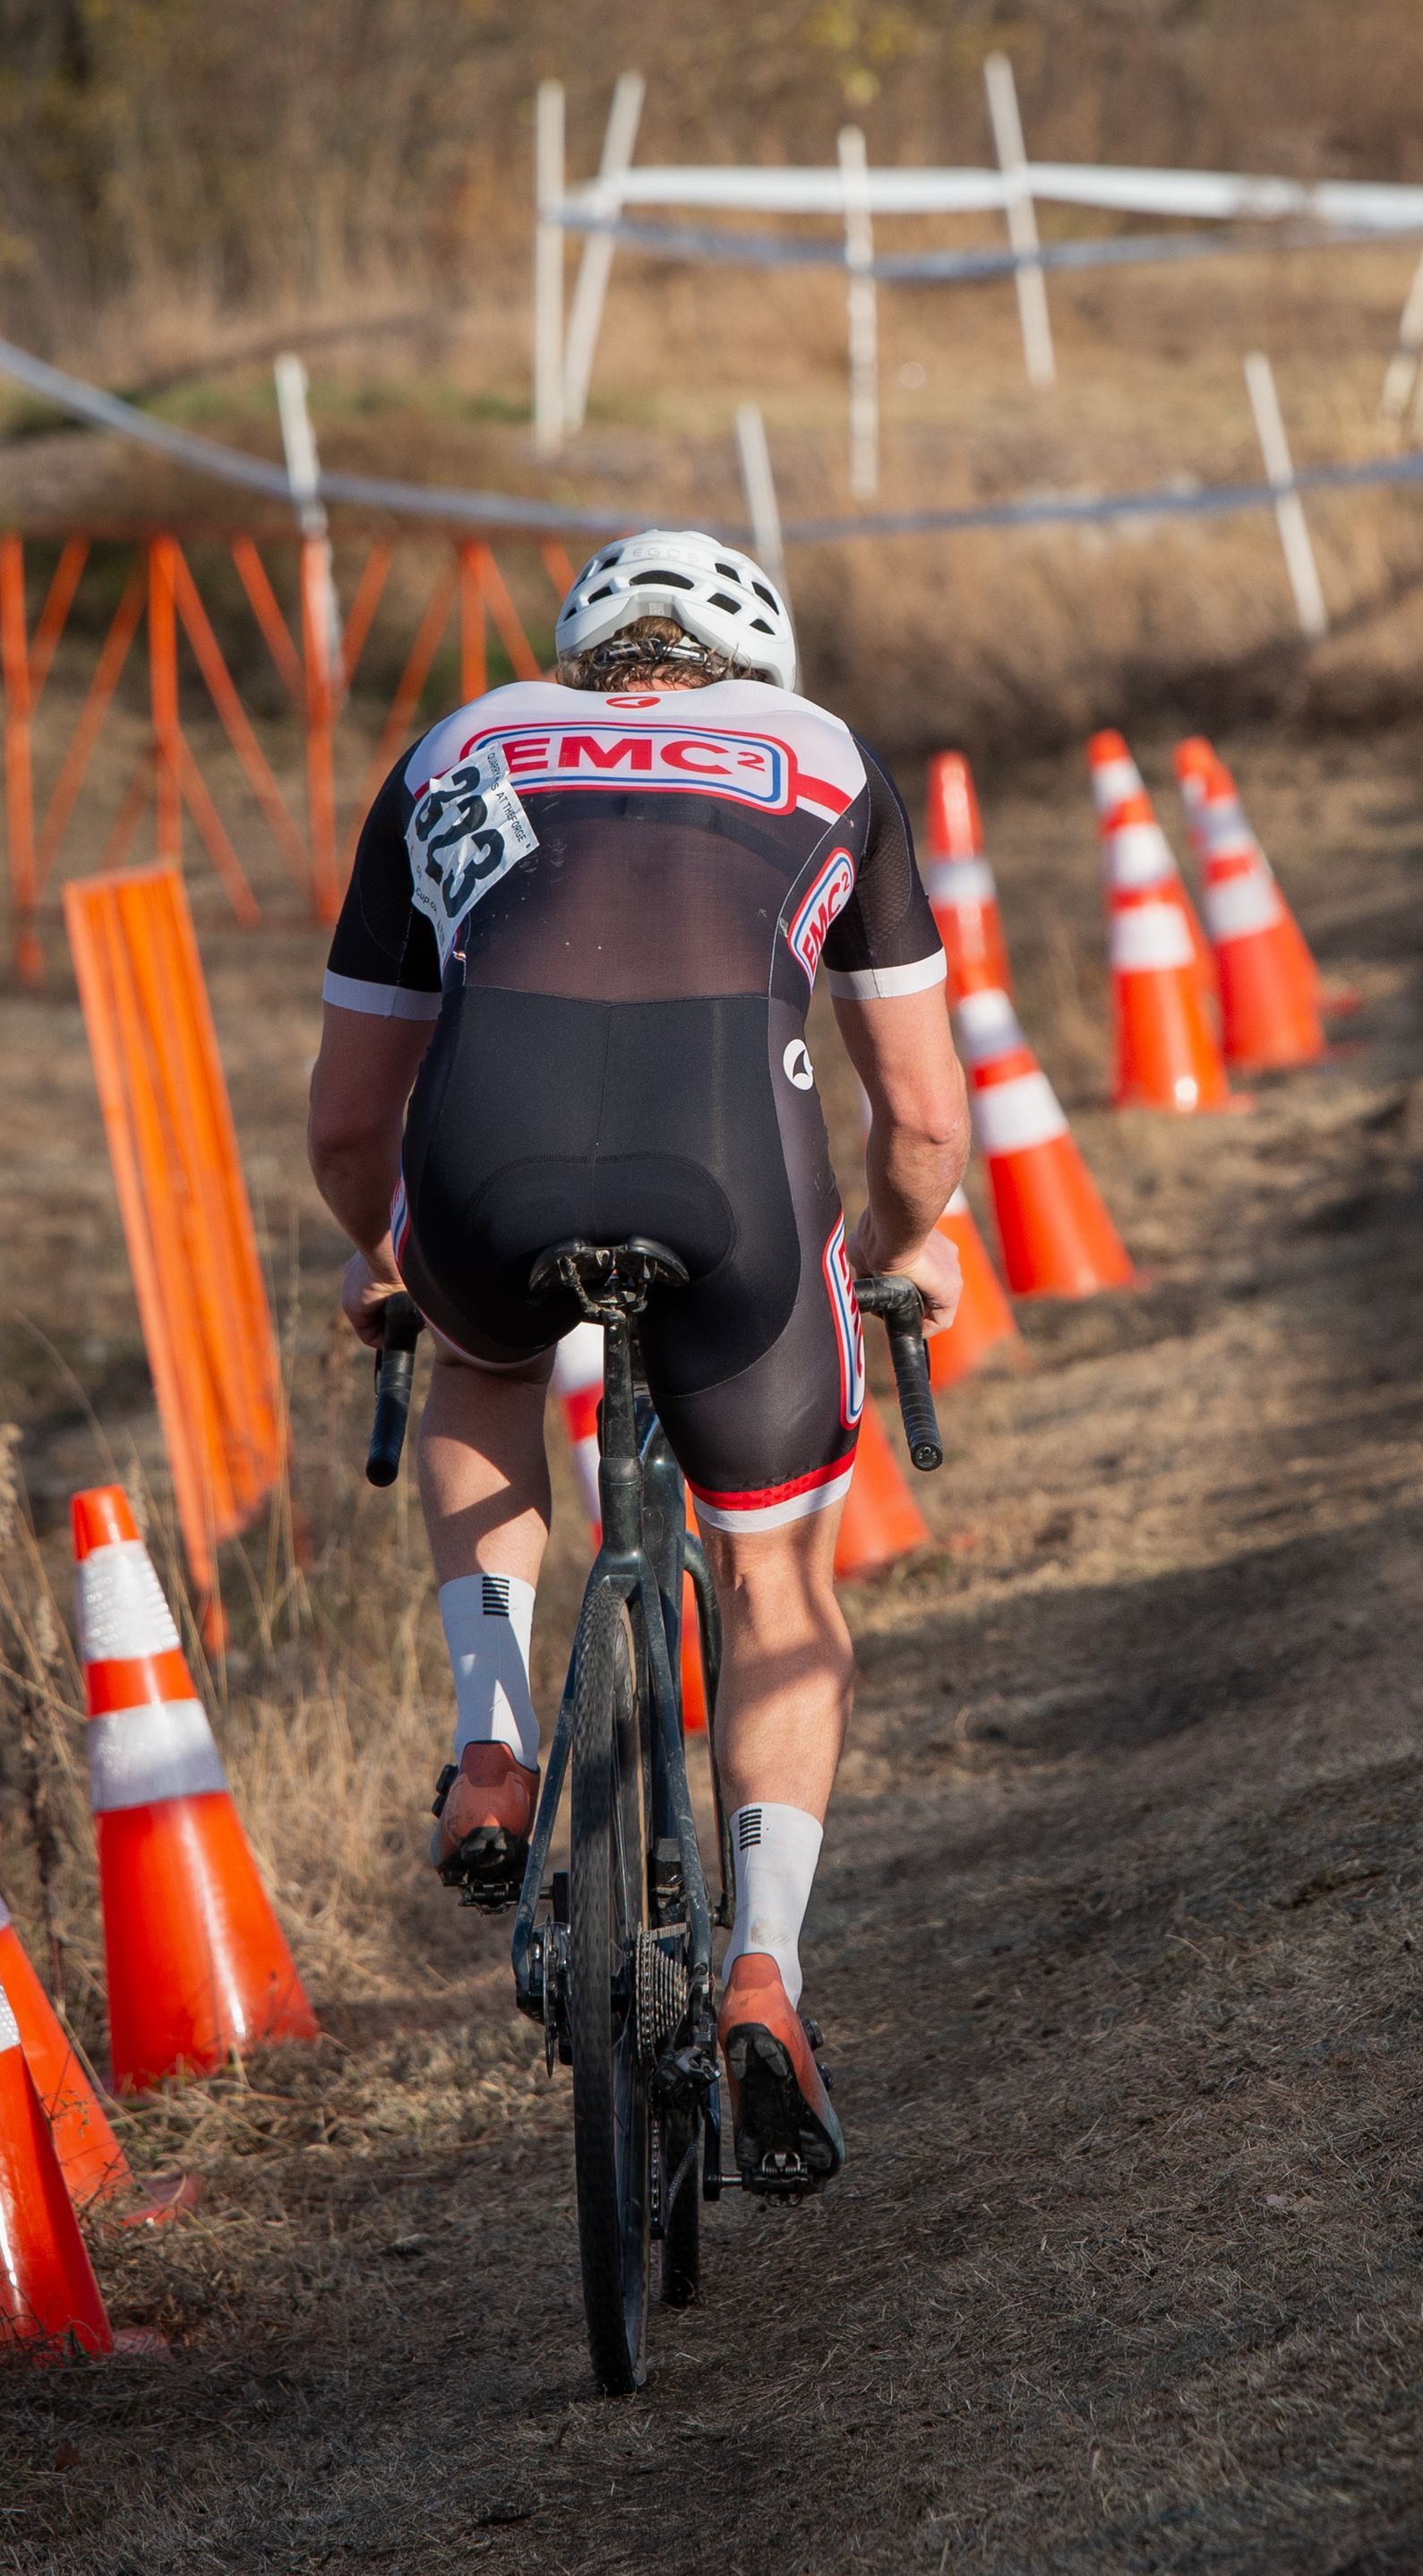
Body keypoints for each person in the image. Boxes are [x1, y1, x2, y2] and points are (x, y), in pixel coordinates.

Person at [307, 529, 968, 2189]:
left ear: (577, 648)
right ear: (755, 662)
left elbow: (343, 1118)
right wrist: (895, 1253)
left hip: (485, 1168)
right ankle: (763, 1967)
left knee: (477, 1360)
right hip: (741, 1180)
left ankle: (491, 1742)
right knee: (780, 1580)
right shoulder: (823, 757)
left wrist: (387, 1251)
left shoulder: (455, 746)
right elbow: (930, 1118)